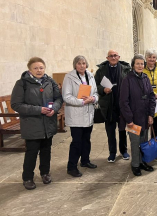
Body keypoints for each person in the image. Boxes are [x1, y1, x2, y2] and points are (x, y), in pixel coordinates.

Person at [11, 57, 63, 190]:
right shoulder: (22, 83)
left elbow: (58, 98)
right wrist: (38, 110)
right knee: (31, 152)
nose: (39, 70)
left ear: (44, 68)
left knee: (46, 151)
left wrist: (54, 109)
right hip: (32, 124)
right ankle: (28, 177)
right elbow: (16, 104)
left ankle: (45, 173)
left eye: (41, 68)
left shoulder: (50, 81)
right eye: (35, 68)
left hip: (48, 123)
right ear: (30, 69)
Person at [119, 54, 156, 176]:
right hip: (133, 119)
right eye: (137, 63)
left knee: (143, 141)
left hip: (145, 117)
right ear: (133, 65)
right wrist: (129, 119)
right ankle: (135, 164)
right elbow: (123, 102)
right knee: (135, 143)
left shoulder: (145, 78)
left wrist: (151, 115)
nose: (140, 66)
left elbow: (151, 97)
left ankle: (142, 162)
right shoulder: (127, 79)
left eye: (142, 63)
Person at [62, 55, 99, 178]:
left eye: (84, 63)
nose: (82, 65)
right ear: (75, 65)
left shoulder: (90, 75)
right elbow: (66, 96)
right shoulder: (69, 77)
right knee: (76, 142)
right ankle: (71, 166)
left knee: (86, 140)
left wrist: (93, 98)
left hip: (88, 113)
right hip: (76, 113)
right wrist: (82, 101)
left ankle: (85, 160)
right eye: (79, 63)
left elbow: (95, 92)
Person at [94, 49, 131, 163]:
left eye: (115, 55)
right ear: (107, 58)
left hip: (121, 105)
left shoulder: (126, 69)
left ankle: (124, 150)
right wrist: (103, 89)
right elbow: (95, 86)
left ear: (119, 57)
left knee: (122, 130)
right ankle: (112, 153)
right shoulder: (101, 70)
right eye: (111, 56)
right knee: (110, 131)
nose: (113, 58)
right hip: (108, 105)